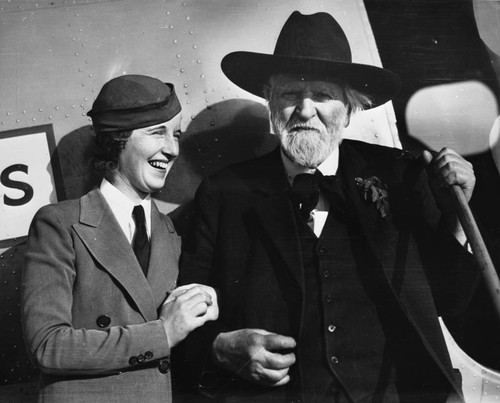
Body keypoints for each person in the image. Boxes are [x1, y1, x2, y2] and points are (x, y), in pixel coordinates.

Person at [174, 11, 493, 403]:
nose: (305, 110)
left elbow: (454, 301)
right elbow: (186, 320)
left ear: (350, 107)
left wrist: (457, 218)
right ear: (272, 103)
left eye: (323, 95)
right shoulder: (224, 193)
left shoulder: (401, 176)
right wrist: (219, 346)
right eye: (291, 94)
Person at [21, 74, 219, 403]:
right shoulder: (60, 224)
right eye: (157, 132)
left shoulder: (171, 234)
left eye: (177, 135)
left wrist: (202, 310)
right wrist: (163, 333)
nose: (172, 149)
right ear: (118, 139)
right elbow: (47, 345)